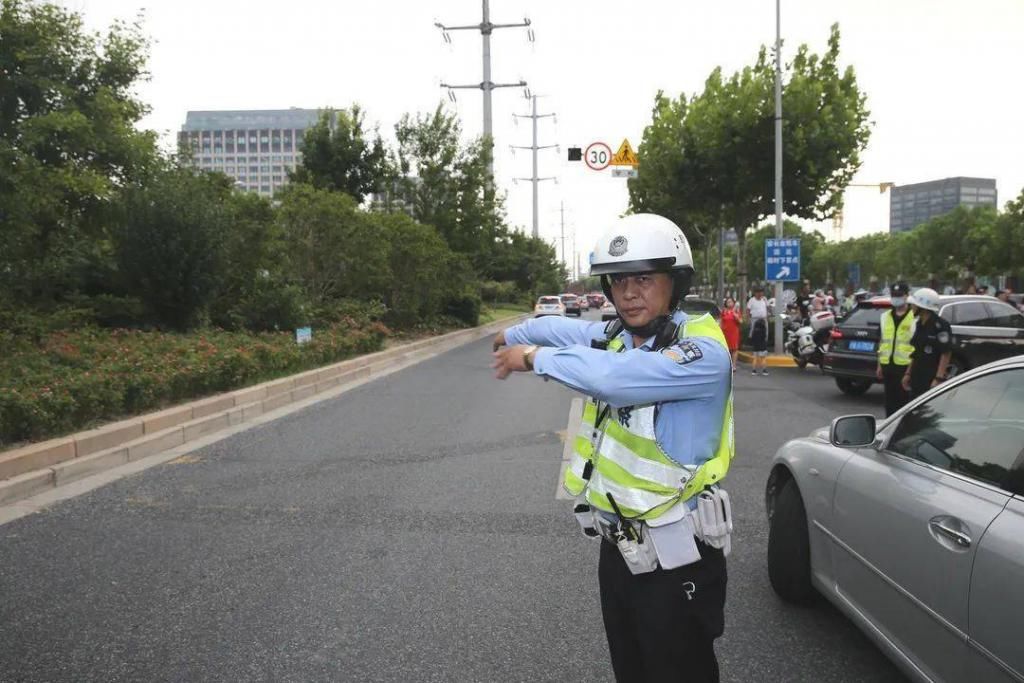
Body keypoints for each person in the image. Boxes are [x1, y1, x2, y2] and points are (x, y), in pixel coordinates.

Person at [491, 213, 733, 683]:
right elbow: (563, 330)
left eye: (644, 278)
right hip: (620, 552)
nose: (629, 292)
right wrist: (513, 334)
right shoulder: (624, 338)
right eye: (619, 280)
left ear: (674, 282)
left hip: (676, 560)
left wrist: (533, 359)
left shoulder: (702, 354)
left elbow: (614, 381)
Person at [902, 287, 952, 400]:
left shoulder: (941, 325)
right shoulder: (919, 323)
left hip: (931, 377)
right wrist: (908, 373)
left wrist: (938, 378)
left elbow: (946, 353)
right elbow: (915, 352)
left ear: (923, 307)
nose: (911, 307)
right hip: (916, 376)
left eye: (914, 305)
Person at [876, 282, 915, 417]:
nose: (896, 298)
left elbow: (916, 347)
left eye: (899, 295)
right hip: (888, 366)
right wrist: (879, 365)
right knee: (889, 402)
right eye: (894, 295)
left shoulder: (914, 317)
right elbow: (882, 341)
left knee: (904, 404)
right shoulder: (885, 316)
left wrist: (909, 372)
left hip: (905, 367)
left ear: (906, 296)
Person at [746, 285, 769, 376]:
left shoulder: (764, 299)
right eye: (758, 292)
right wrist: (747, 319)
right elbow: (748, 310)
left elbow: (767, 308)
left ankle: (765, 340)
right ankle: (752, 340)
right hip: (755, 320)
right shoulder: (752, 300)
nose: (760, 294)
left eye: (761, 292)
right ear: (755, 293)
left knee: (765, 334)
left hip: (763, 320)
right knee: (754, 333)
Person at [720, 297, 742, 371]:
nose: (729, 303)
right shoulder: (723, 311)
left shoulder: (736, 311)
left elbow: (740, 321)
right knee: (726, 349)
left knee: (734, 349)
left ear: (733, 303)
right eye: (728, 302)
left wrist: (735, 316)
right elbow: (721, 322)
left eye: (731, 302)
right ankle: (727, 365)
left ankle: (734, 365)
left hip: (734, 333)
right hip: (725, 332)